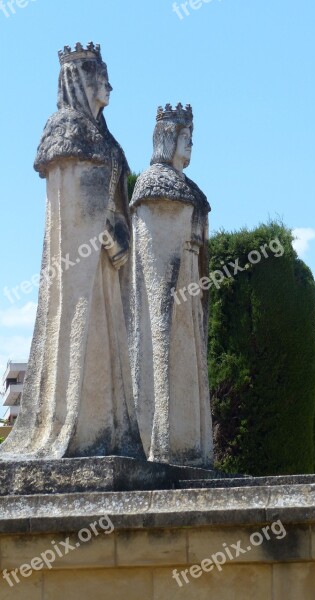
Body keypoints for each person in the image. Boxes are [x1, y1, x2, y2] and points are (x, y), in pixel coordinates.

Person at [0, 43, 145, 460]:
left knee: (108, 340)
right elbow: (72, 207)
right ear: (81, 78)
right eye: (102, 76)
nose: (109, 85)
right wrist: (105, 234)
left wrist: (120, 235)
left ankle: (110, 433)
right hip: (79, 265)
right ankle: (77, 434)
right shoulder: (64, 129)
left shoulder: (108, 142)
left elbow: (116, 200)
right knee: (81, 335)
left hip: (107, 265)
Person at [128, 103, 213, 467]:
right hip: (168, 288)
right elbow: (152, 250)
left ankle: (190, 445)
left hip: (190, 283)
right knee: (162, 353)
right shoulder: (153, 183)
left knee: (188, 359)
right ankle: (165, 443)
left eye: (192, 137)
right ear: (167, 139)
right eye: (185, 137)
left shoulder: (191, 189)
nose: (190, 144)